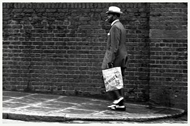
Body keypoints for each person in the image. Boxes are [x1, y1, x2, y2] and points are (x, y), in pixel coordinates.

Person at [101, 6, 128, 111]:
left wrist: (110, 61)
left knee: (109, 76)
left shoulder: (115, 27)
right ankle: (120, 104)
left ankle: (119, 98)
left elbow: (114, 46)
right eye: (108, 14)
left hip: (115, 56)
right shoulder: (120, 26)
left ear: (116, 15)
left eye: (110, 14)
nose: (108, 16)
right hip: (121, 56)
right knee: (117, 80)